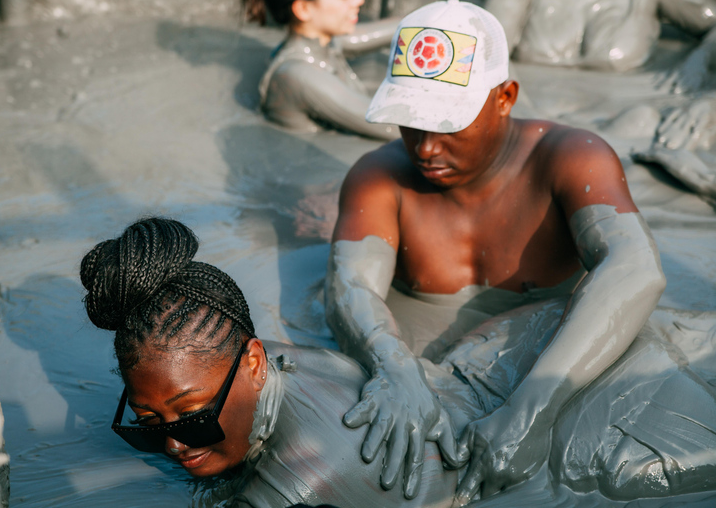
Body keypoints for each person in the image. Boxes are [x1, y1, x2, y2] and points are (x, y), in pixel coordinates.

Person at [324, 0, 683, 503]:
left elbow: (635, 269)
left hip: (551, 362)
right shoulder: (379, 178)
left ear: (505, 97)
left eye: (447, 124)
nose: (425, 147)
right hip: (435, 369)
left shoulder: (570, 158)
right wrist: (392, 366)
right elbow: (350, 284)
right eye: (409, 121)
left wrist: (532, 412)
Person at [79, 217, 470, 507]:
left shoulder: (303, 478)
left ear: (254, 363)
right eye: (145, 426)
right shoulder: (227, 355)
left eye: (194, 416)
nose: (174, 444)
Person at [240, 0, 400, 139]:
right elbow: (392, 125)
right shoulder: (298, 75)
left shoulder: (327, 44)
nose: (359, 0)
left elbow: (401, 27)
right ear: (303, 9)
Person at [485, 0, 716, 72]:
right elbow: (485, 53)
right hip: (529, 122)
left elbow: (709, 19)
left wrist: (701, 59)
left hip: (629, 126)